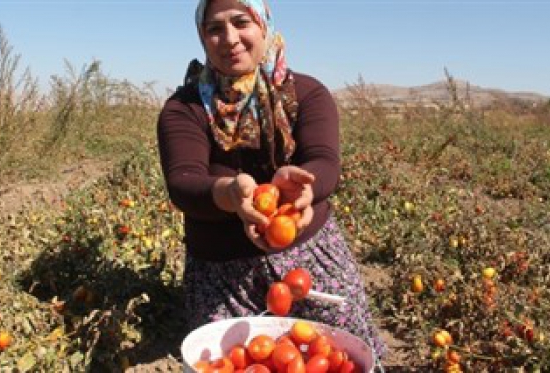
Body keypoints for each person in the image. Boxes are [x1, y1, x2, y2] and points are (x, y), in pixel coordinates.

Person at [157, 0, 386, 361]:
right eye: (215, 28)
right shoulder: (184, 108)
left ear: (264, 26)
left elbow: (324, 161)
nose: (229, 38)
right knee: (236, 361)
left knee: (343, 357)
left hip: (312, 258)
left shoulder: (307, 94)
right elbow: (184, 183)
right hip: (221, 271)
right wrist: (230, 195)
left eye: (240, 22)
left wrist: (307, 188)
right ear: (202, 38)